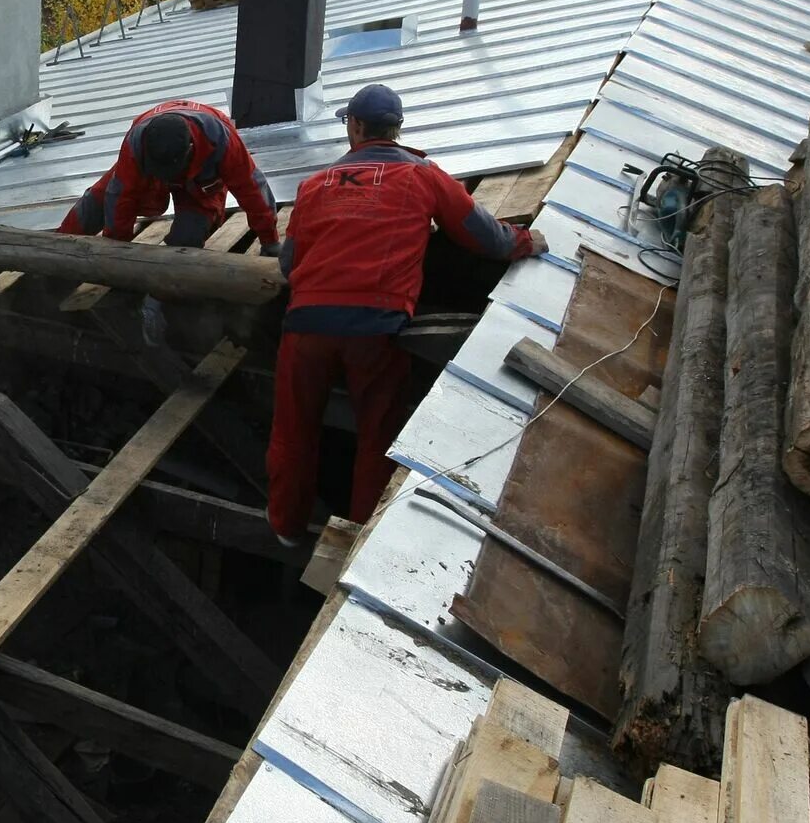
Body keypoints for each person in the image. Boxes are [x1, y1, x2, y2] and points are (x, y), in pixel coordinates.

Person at [266, 84, 547, 547]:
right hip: (375, 329)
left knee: (293, 430)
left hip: (306, 326)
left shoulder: (315, 185)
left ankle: (285, 529)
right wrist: (526, 241)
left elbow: (288, 263)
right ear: (397, 128)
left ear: (355, 127)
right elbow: (487, 238)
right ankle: (357, 539)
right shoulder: (423, 176)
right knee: (377, 436)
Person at [58, 99, 280, 343]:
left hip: (200, 184)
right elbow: (121, 197)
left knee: (188, 237)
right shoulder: (137, 145)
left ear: (191, 148)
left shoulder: (221, 141)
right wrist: (116, 252)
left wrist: (269, 241)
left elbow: (251, 189)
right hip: (149, 176)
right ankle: (55, 261)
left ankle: (156, 304)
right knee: (96, 201)